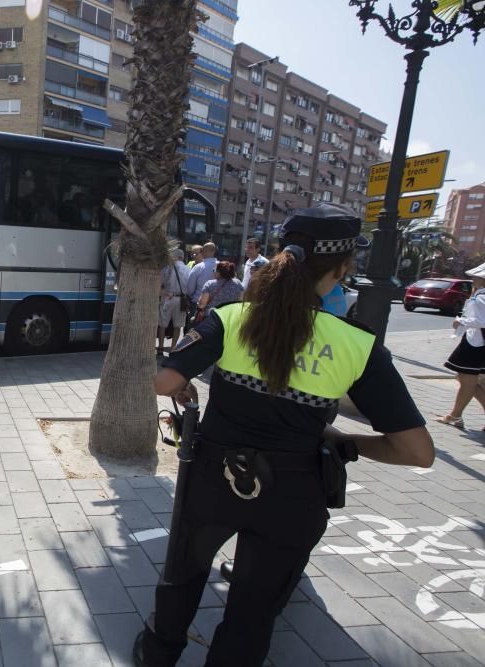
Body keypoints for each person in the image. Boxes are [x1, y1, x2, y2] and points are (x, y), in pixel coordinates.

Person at [134, 203, 433, 666]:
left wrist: (189, 384)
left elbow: (164, 383)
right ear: (343, 266)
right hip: (295, 494)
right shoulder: (359, 346)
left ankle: (158, 652)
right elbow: (417, 451)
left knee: (183, 574)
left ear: (279, 256)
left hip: (214, 478)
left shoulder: (233, 318)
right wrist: (343, 442)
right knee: (254, 610)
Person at [435, 262, 485, 429]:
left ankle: (455, 416)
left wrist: (460, 321)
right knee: (468, 380)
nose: (472, 279)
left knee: (466, 380)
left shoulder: (481, 297)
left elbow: (481, 321)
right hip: (476, 342)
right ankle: (455, 415)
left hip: (475, 343)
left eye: (476, 277)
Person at [159, 247, 191, 356]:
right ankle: (173, 349)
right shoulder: (188, 269)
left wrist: (165, 293)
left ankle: (161, 347)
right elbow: (190, 287)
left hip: (168, 297)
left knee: (163, 324)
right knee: (178, 326)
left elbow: (159, 284)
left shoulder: (167, 268)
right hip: (182, 299)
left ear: (174, 256)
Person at [185, 241, 218, 306]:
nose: (193, 256)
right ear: (214, 251)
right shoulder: (222, 266)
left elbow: (189, 289)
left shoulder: (198, 267)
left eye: (195, 254)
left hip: (199, 304)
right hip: (216, 306)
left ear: (202, 252)